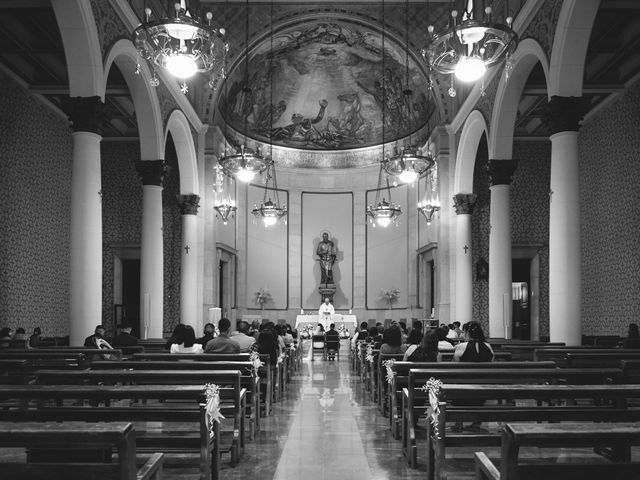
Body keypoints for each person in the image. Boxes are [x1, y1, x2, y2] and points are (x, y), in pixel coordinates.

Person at [452, 321, 494, 432]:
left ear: (467, 333)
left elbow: (455, 366)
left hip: (463, 385)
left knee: (457, 390)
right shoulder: (488, 347)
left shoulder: (461, 346)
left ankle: (459, 422)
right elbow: (491, 363)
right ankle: (476, 423)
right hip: (482, 386)